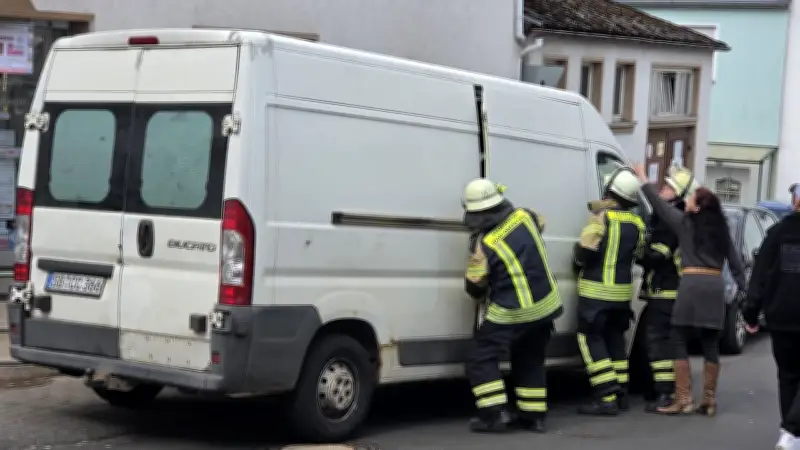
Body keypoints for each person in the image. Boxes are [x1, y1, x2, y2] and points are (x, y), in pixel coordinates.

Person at [634, 165, 746, 416]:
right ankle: (709, 400)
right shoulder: (722, 232)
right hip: (715, 286)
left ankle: (683, 399)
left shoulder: (685, 224)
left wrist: (642, 178)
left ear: (697, 208)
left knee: (677, 338)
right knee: (710, 344)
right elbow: (737, 266)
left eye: (690, 200)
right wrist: (745, 297)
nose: (686, 202)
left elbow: (659, 206)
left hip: (691, 284)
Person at [462, 178, 563, 434]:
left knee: (480, 356)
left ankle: (494, 415)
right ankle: (534, 416)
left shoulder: (483, 244)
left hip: (512, 310)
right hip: (545, 305)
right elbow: (541, 223)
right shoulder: (525, 216)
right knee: (530, 357)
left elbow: (475, 286)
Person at [573, 167, 646, 416]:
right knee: (615, 339)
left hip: (595, 293)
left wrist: (578, 256)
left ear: (611, 191)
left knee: (589, 339)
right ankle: (621, 392)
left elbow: (585, 250)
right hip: (622, 295)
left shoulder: (601, 217)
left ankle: (605, 396)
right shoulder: (637, 223)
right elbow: (639, 254)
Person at [742, 183, 800, 450]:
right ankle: (792, 429)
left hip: (782, 317)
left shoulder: (777, 233)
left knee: (788, 375)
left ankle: (790, 433)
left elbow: (759, 275)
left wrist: (751, 313)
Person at [636, 179, 687, 412]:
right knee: (664, 343)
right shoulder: (673, 218)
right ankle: (668, 390)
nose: (662, 190)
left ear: (678, 194)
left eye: (667, 187)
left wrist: (637, 250)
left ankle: (664, 393)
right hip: (668, 292)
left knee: (658, 343)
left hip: (665, 292)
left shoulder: (670, 222)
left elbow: (658, 255)